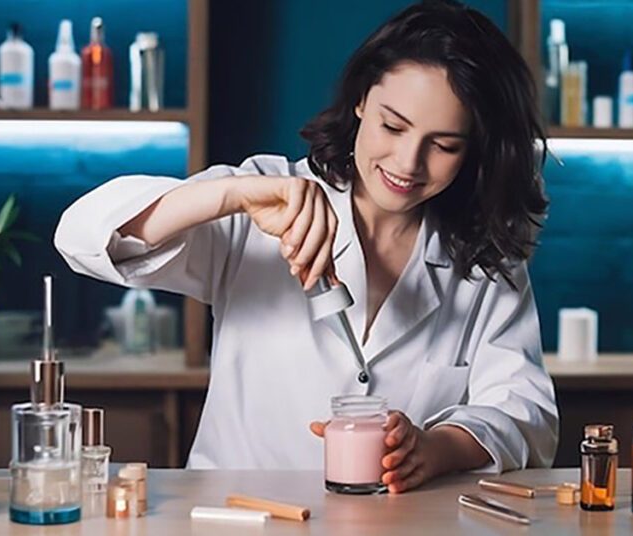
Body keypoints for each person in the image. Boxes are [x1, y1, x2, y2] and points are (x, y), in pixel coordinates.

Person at [55, 0, 557, 493]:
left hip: (398, 526)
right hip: (237, 519)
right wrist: (231, 195)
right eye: (393, 125)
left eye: (444, 144)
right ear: (361, 99)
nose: (408, 162)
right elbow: (82, 236)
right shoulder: (260, 196)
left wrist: (433, 448)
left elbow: (523, 412)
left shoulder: (487, 255)